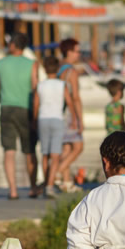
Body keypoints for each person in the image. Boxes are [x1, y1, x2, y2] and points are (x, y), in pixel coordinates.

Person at [0, 32, 40, 200]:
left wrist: (4, 100)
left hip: (6, 108)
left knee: (9, 151)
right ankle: (33, 187)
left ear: (13, 45)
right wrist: (35, 113)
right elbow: (36, 89)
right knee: (29, 151)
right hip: (25, 109)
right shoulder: (32, 64)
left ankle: (13, 190)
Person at [34, 55, 77, 198]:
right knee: (55, 155)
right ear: (58, 69)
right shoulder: (61, 84)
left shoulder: (40, 85)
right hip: (57, 119)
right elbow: (70, 102)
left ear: (45, 69)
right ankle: (50, 186)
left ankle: (47, 182)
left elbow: (36, 105)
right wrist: (74, 119)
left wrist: (34, 121)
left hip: (43, 119)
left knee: (45, 154)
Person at [53, 38, 85, 193]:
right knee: (78, 147)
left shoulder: (59, 68)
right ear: (69, 52)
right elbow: (76, 98)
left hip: (57, 112)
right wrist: (80, 119)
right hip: (69, 113)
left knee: (66, 148)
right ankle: (57, 172)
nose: (79, 54)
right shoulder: (72, 71)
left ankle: (67, 182)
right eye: (77, 51)